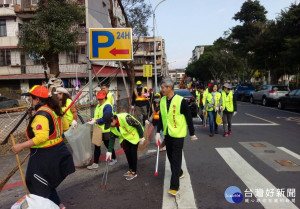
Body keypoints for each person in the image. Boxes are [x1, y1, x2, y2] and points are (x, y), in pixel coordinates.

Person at [12, 85, 75, 208]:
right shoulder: (54, 110)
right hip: (59, 151)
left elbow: (42, 137)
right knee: (45, 183)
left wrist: (20, 146)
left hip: (46, 156)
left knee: (37, 185)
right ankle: (59, 206)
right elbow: (66, 127)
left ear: (37, 99)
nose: (29, 100)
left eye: (30, 98)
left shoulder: (42, 114)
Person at [156, 78, 198, 196]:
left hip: (178, 134)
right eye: (161, 87)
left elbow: (189, 117)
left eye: (163, 87)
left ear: (169, 88)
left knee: (175, 158)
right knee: (170, 157)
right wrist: (158, 132)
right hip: (168, 134)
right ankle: (179, 172)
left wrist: (192, 132)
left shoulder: (181, 101)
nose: (161, 89)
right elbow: (161, 117)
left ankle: (174, 186)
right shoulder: (163, 100)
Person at [102, 112, 145, 181]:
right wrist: (109, 151)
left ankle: (134, 172)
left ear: (113, 119)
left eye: (109, 124)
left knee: (133, 154)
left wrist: (141, 136)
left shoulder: (125, 117)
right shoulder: (112, 126)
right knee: (127, 154)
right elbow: (112, 138)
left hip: (134, 135)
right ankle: (130, 169)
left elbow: (137, 125)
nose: (110, 126)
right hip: (124, 138)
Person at [87, 90, 117, 169]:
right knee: (97, 146)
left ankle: (113, 158)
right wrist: (93, 119)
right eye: (98, 99)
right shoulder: (98, 105)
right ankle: (95, 163)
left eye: (101, 99)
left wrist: (96, 121)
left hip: (106, 129)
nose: (99, 100)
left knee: (108, 145)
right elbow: (98, 116)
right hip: (98, 129)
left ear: (105, 98)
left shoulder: (107, 106)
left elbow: (105, 118)